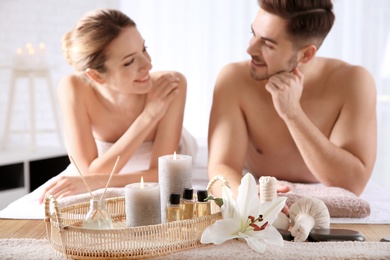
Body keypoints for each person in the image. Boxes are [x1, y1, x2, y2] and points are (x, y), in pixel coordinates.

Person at [208, 0, 377, 198]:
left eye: (268, 44)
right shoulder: (234, 79)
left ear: (306, 54)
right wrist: (245, 198)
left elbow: (352, 184)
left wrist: (293, 114)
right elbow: (221, 167)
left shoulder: (353, 82)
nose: (250, 49)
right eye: (253, 33)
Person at [37, 9, 192, 203]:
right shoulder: (73, 88)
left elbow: (164, 174)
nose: (148, 65)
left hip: (163, 164)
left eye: (144, 49)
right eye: (129, 62)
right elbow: (88, 174)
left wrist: (98, 181)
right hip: (107, 170)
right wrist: (149, 115)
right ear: (96, 76)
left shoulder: (169, 85)